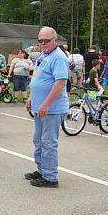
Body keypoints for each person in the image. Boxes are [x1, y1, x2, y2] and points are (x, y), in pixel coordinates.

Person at [25, 27, 69, 188]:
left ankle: (50, 177)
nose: (42, 43)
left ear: (55, 40)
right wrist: (31, 97)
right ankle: (42, 169)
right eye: (40, 40)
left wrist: (46, 103)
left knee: (48, 142)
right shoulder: (43, 55)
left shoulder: (59, 57)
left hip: (52, 109)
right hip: (39, 107)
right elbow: (37, 78)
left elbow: (60, 82)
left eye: (46, 40)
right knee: (38, 140)